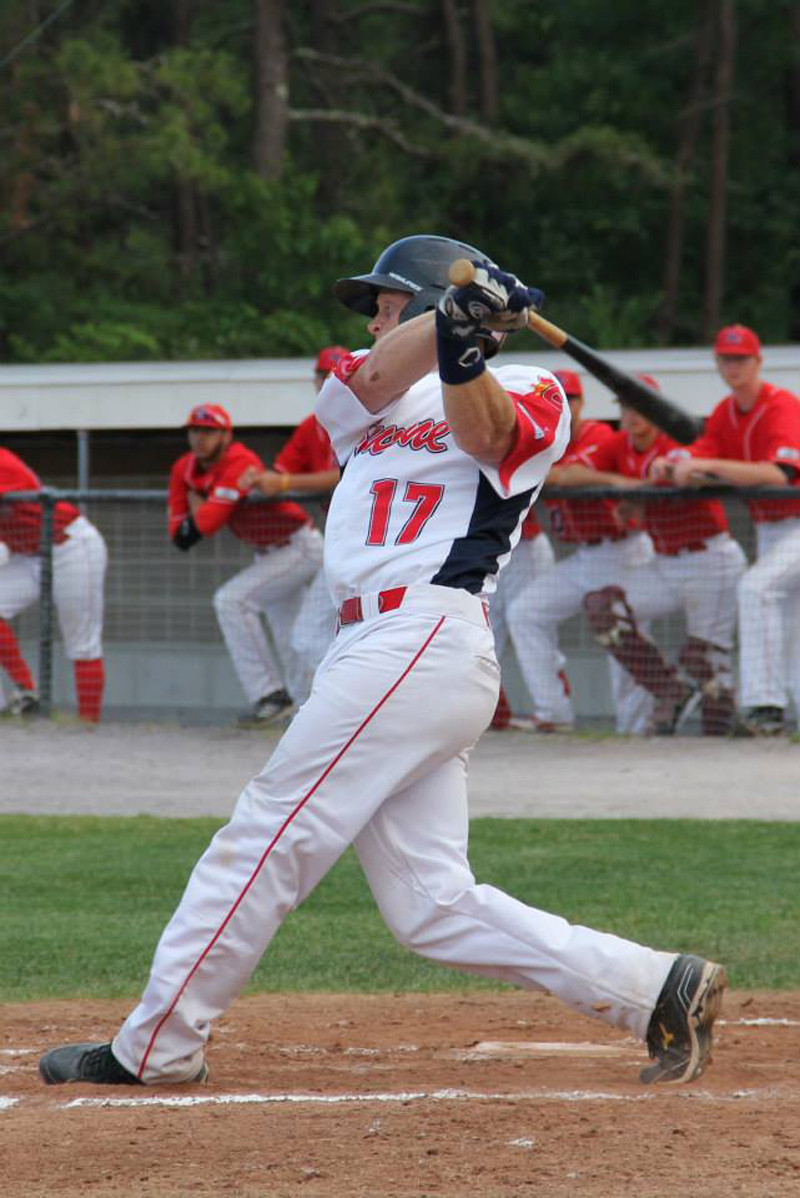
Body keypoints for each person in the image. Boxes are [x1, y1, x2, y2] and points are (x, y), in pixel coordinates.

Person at [39, 235, 725, 1091]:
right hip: (372, 650)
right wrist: (451, 319)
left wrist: (468, 344)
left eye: (387, 299)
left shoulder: (532, 387)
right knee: (431, 905)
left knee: (265, 833)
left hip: (424, 634)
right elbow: (371, 377)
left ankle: (156, 1048)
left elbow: (486, 434)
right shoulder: (369, 394)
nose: (372, 315)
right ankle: (656, 987)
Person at [574, 385, 747, 735]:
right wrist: (627, 489)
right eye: (626, 408)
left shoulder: (676, 440)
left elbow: (694, 472)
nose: (632, 416)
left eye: (640, 407)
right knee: (603, 609)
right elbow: (564, 474)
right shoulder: (619, 444)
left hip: (709, 557)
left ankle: (721, 740)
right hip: (664, 560)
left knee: (706, 660)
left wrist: (658, 481)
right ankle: (670, 689)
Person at [652, 325, 800, 736]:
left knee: (756, 590)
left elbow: (779, 474)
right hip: (770, 528)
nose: (733, 366)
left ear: (758, 361)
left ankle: (763, 705)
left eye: (741, 359)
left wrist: (705, 467)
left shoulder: (782, 405)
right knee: (788, 621)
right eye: (726, 359)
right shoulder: (724, 411)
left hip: (796, 520)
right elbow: (699, 452)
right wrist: (673, 461)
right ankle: (782, 714)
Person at [509, 370, 653, 734]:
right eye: (557, 398)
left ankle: (635, 729)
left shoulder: (598, 434)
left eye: (570, 399)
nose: (565, 406)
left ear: (582, 403)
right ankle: (553, 712)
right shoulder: (544, 439)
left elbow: (563, 477)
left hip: (623, 551)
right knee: (525, 613)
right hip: (584, 557)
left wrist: (602, 480)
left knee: (624, 639)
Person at [168, 403, 324, 725]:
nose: (200, 438)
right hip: (268, 553)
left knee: (232, 601)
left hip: (298, 545)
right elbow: (181, 537)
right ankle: (304, 712)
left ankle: (269, 694)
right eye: (194, 431)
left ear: (226, 435)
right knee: (289, 636)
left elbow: (206, 524)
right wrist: (202, 512)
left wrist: (201, 507)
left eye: (209, 431)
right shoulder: (184, 467)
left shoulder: (240, 459)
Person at [241, 346, 347, 702]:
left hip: (374, 543)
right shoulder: (311, 427)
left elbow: (344, 476)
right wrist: (259, 478)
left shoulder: (368, 417)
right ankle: (330, 711)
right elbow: (283, 472)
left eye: (337, 376)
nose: (329, 383)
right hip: (342, 543)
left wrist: (285, 485)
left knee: (313, 637)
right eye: (323, 376)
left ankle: (352, 705)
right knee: (314, 637)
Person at [0, 445, 107, 722]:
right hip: (26, 553)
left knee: (81, 642)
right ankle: (27, 691)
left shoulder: (2, 462)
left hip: (69, 545)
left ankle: (88, 726)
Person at [488, 506, 571, 730]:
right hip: (482, 549)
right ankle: (492, 716)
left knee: (528, 625)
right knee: (484, 634)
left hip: (523, 547)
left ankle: (553, 712)